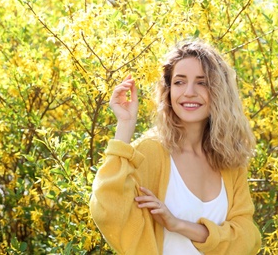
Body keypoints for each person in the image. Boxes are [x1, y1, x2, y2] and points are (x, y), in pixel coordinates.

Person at [90, 40, 262, 254]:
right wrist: (125, 125)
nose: (189, 92)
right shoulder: (150, 151)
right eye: (179, 82)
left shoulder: (230, 159)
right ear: (168, 90)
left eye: (202, 82)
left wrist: (178, 225)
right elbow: (108, 210)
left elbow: (247, 239)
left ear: (219, 91)